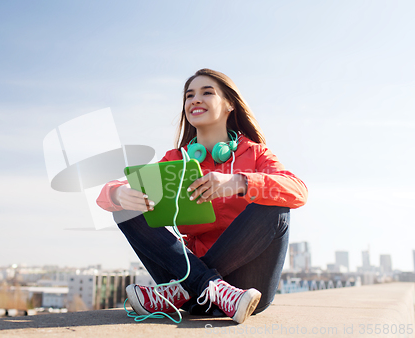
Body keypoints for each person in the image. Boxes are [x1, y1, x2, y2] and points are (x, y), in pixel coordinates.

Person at [96, 68, 308, 324]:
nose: (195, 99)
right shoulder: (176, 159)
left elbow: (298, 190)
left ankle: (185, 289)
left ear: (230, 104)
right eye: (189, 95)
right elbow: (107, 193)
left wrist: (239, 182)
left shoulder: (255, 153)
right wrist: (118, 193)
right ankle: (206, 285)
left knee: (276, 207)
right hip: (187, 278)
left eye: (207, 92)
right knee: (123, 206)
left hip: (245, 292)